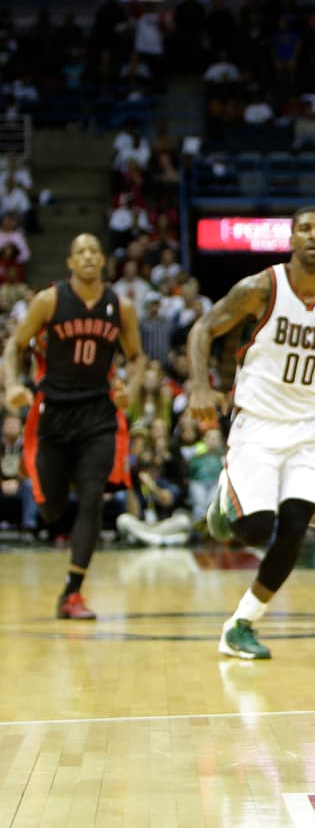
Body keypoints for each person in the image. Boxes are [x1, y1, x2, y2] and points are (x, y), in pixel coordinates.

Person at [187, 206, 315, 659]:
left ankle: (241, 623)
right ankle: (226, 499)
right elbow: (203, 328)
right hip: (260, 422)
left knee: (295, 527)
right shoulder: (261, 288)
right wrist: (199, 386)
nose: (313, 235)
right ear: (291, 239)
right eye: (305, 229)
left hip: (314, 427)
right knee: (255, 530)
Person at [3, 233, 144, 619]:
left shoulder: (121, 307)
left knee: (92, 496)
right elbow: (15, 346)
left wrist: (130, 389)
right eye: (80, 251)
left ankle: (72, 591)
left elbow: (136, 357)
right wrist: (12, 384)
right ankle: (52, 503)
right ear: (69, 262)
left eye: (93, 251)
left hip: (98, 413)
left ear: (103, 260)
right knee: (51, 510)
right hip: (55, 413)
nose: (87, 256)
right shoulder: (49, 300)